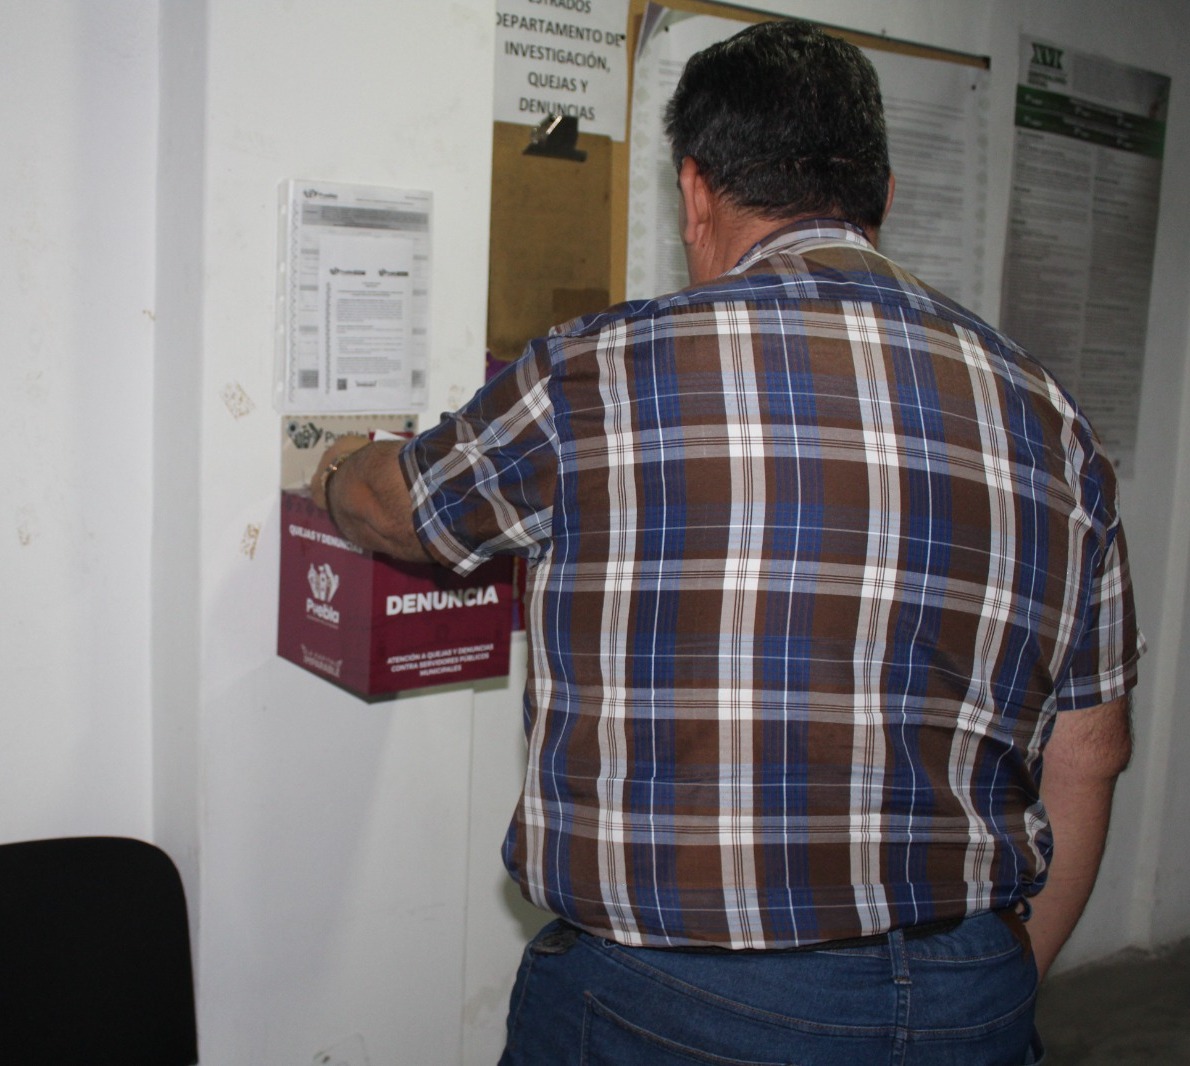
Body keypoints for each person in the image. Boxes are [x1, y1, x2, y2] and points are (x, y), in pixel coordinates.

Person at [312, 19, 1143, 1065]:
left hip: (680, 1005)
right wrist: (1005, 979)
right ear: (881, 199)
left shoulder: (601, 372)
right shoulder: (1050, 419)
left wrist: (335, 468)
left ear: (695, 191)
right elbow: (1090, 749)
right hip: (968, 989)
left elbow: (401, 509)